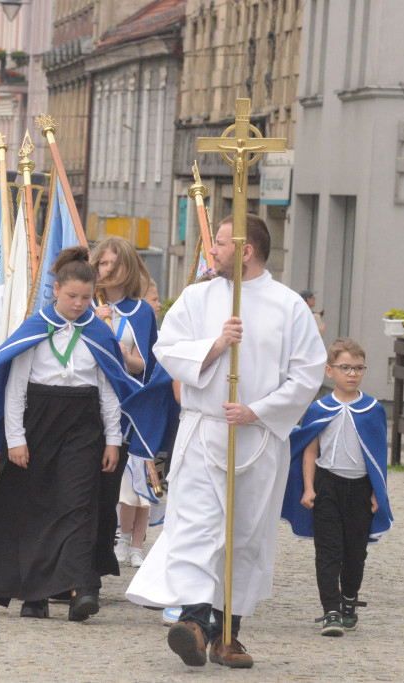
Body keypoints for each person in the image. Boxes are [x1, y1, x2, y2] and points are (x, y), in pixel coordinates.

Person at [125, 214, 326, 668]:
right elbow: (166, 350)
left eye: (218, 243)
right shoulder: (198, 297)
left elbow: (308, 372)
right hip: (203, 433)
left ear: (246, 250)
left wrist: (258, 410)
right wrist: (216, 346)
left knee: (245, 534)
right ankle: (195, 623)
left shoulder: (288, 305)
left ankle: (228, 632)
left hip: (256, 435)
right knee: (197, 526)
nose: (210, 251)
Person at [0, 246, 139, 621]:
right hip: (38, 421)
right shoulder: (34, 328)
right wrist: (16, 439)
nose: (79, 304)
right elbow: (15, 388)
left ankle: (83, 588)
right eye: (72, 296)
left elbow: (109, 389)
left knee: (78, 504)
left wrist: (114, 440)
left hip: (84, 424)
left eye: (86, 298)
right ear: (56, 289)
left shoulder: (98, 332)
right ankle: (35, 593)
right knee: (36, 506)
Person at [282, 338, 393, 636]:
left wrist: (375, 492)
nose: (352, 374)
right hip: (327, 485)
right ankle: (330, 610)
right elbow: (309, 449)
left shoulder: (373, 409)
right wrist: (308, 487)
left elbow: (378, 454)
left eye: (358, 368)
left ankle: (349, 599)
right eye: (345, 367)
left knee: (355, 553)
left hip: (359, 488)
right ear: (330, 371)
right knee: (328, 551)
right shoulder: (319, 408)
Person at [87, 236, 159, 576]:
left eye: (115, 264)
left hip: (121, 411)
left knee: (110, 487)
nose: (109, 270)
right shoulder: (81, 304)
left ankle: (103, 556)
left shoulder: (141, 311)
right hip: (83, 406)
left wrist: (114, 341)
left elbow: (142, 366)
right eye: (103, 263)